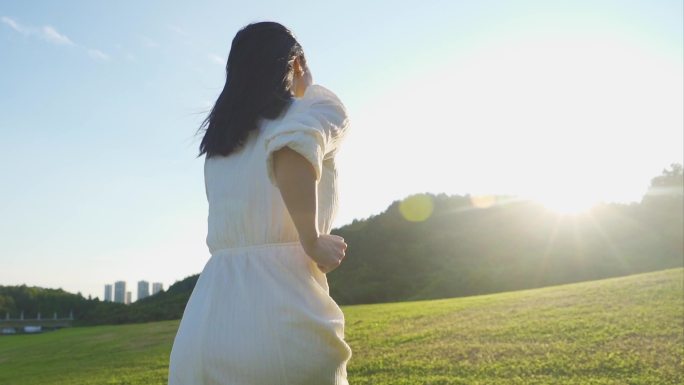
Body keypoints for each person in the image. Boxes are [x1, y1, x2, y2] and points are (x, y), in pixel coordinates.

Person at [167, 21, 353, 384]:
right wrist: (311, 239)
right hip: (278, 310)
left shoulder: (221, 143)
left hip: (206, 321)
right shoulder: (313, 111)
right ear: (296, 63)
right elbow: (292, 149)